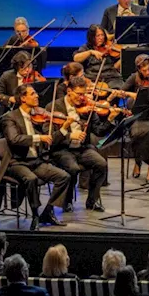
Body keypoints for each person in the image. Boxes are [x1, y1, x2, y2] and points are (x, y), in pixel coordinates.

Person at [0, 84, 71, 228]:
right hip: (17, 162)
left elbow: (49, 141)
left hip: (36, 161)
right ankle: (35, 215)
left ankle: (47, 212)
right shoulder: (9, 118)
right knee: (31, 179)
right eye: (33, 93)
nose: (37, 96)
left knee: (64, 176)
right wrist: (38, 138)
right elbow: (14, 139)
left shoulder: (38, 116)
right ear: (23, 98)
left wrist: (64, 128)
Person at [49, 76, 113, 213]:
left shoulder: (87, 109)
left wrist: (109, 119)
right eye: (78, 94)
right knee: (73, 168)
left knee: (101, 164)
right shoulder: (54, 107)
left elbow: (99, 131)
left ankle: (92, 200)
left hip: (82, 148)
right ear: (69, 91)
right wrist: (69, 136)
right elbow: (51, 137)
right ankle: (67, 201)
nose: (82, 97)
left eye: (84, 94)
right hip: (62, 149)